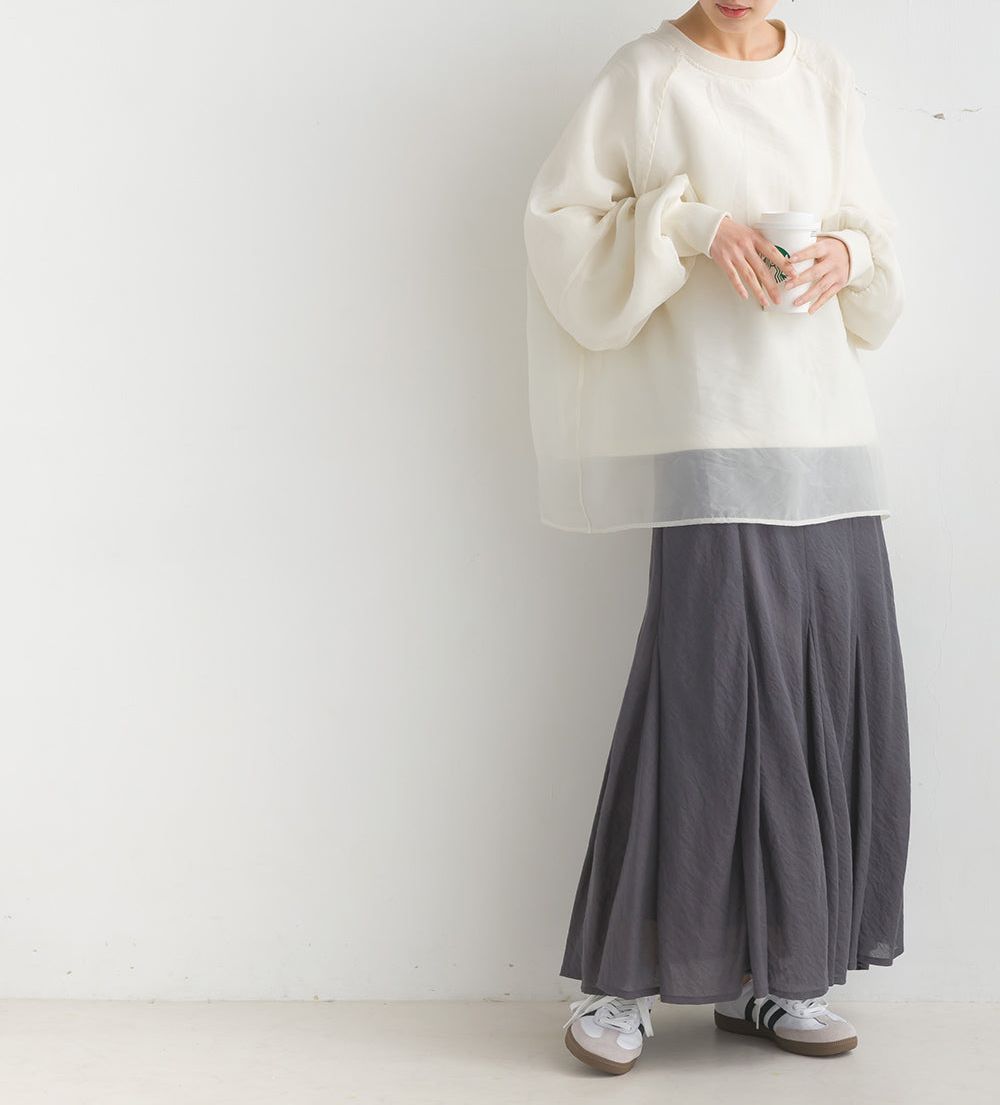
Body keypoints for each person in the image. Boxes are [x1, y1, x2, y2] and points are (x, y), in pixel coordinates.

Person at [522, 0, 910, 1074]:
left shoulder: (823, 76)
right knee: (706, 693)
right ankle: (620, 985)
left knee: (825, 686)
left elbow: (876, 238)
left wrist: (843, 251)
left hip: (824, 428)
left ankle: (779, 976)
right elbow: (561, 228)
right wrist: (696, 226)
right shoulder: (647, 75)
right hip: (712, 422)